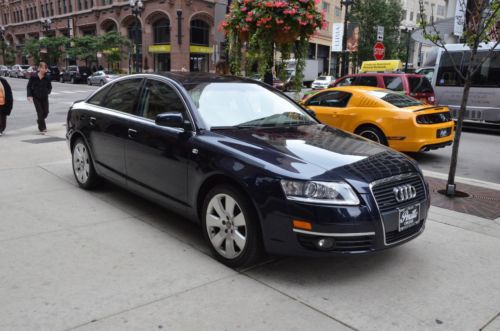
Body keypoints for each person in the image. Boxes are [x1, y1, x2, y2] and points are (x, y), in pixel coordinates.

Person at [27, 62, 52, 134]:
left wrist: (47, 92)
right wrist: (29, 95)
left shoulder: (47, 77)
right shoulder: (33, 77)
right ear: (39, 68)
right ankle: (42, 128)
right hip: (36, 97)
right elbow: (29, 86)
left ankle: (39, 121)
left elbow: (50, 87)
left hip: (44, 97)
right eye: (42, 68)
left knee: (46, 112)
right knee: (40, 112)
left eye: (45, 68)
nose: (44, 70)